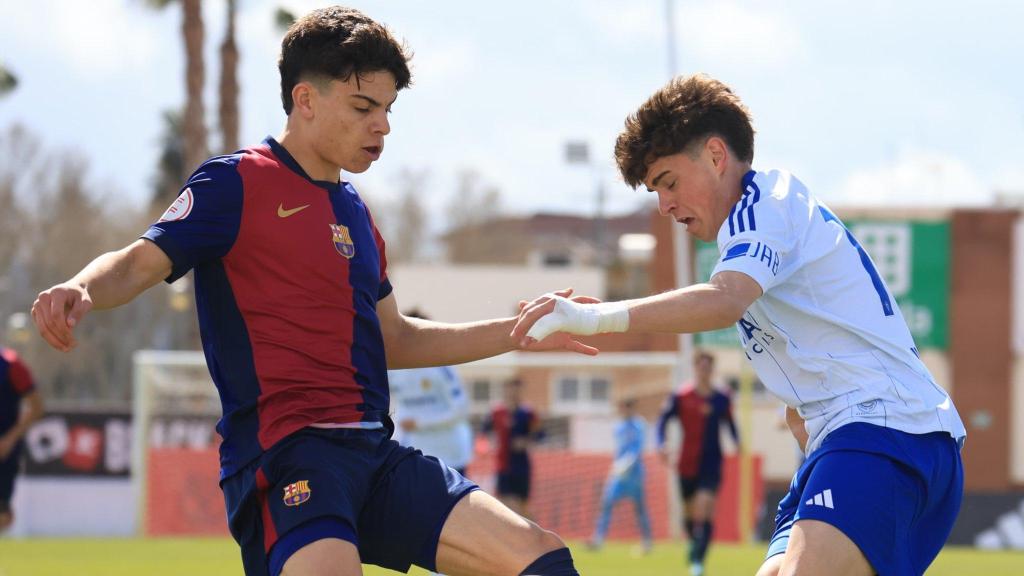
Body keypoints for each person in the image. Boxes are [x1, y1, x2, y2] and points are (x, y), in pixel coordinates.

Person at [30, 7, 599, 576]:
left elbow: (393, 339)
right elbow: (134, 264)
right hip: (287, 454)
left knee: (541, 559)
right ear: (305, 100)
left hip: (377, 458)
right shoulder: (235, 183)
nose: (383, 125)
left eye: (387, 109)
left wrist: (518, 330)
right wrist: (80, 286)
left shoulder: (357, 213)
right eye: (363, 107)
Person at [514, 73, 966, 576]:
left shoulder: (764, 205)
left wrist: (593, 317)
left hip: (886, 434)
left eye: (668, 182)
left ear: (714, 155)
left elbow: (723, 301)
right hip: (863, 440)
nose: (664, 206)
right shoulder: (754, 228)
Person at [656, 351, 738, 576]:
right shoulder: (682, 396)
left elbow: (730, 423)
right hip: (687, 462)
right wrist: (661, 443)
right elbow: (663, 420)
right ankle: (694, 546)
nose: (705, 371)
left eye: (708, 367)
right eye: (701, 367)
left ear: (712, 370)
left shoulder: (722, 398)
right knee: (690, 514)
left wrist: (737, 442)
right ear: (695, 369)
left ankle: (698, 562)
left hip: (712, 462)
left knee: (705, 507)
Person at [388, 310, 473, 477]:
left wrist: (421, 423)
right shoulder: (393, 369)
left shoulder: (441, 367)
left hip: (450, 454)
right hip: (413, 452)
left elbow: (460, 410)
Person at [588, 397, 652, 554]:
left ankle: (647, 542)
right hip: (618, 473)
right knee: (606, 503)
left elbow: (638, 448)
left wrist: (628, 463)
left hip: (634, 474)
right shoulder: (618, 427)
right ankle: (598, 539)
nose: (626, 410)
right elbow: (619, 449)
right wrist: (618, 466)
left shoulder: (639, 425)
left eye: (629, 406)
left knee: (639, 508)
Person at [481, 379, 542, 519]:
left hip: (522, 465)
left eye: (516, 389)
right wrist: (488, 444)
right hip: (503, 465)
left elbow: (540, 434)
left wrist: (525, 441)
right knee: (505, 504)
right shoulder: (496, 411)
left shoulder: (528, 412)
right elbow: (484, 432)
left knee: (523, 505)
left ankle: (535, 535)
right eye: (510, 389)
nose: (513, 393)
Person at [0, 346, 44, 533]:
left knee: (2, 514)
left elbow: (36, 408)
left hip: (3, 453)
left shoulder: (11, 365)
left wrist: (9, 439)